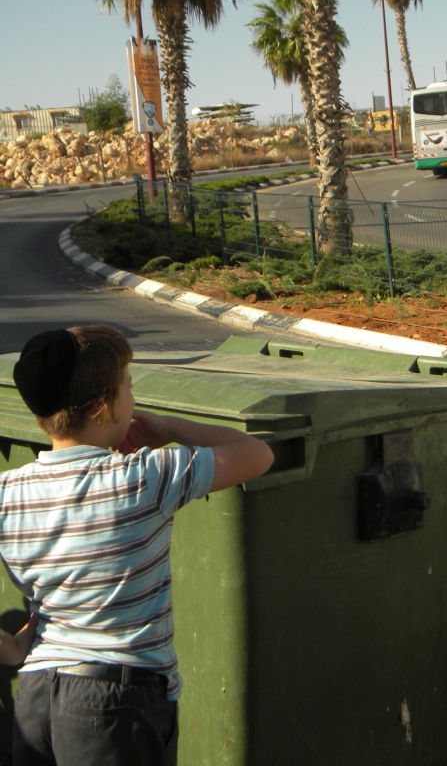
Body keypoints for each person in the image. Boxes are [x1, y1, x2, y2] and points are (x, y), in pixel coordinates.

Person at [0, 325, 274, 766]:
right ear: (104, 404)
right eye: (129, 386)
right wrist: (167, 426)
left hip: (36, 700)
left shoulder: (8, 490)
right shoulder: (144, 477)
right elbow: (257, 454)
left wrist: (11, 648)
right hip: (115, 703)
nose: (134, 399)